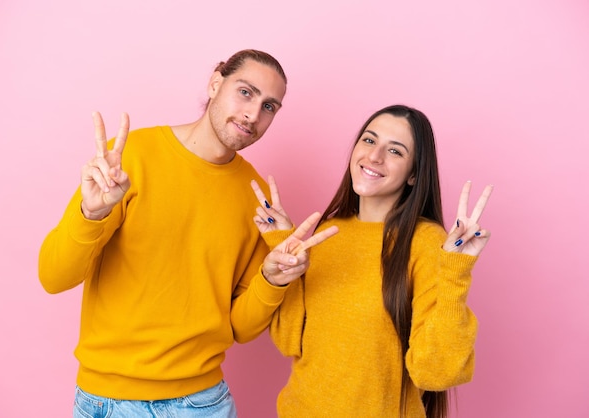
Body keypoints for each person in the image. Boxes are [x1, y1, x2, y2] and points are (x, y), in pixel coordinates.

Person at [38, 49, 337, 418]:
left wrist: (272, 280)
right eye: (246, 92)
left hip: (202, 403)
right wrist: (92, 213)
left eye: (269, 106)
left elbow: (239, 328)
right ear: (215, 83)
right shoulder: (132, 159)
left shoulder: (257, 196)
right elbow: (53, 277)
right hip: (108, 400)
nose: (253, 115)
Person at [251, 104, 493, 418]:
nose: (374, 157)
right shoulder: (328, 233)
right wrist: (282, 247)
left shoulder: (427, 242)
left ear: (414, 174)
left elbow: (436, 373)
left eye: (395, 151)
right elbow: (290, 341)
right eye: (369, 140)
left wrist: (454, 276)